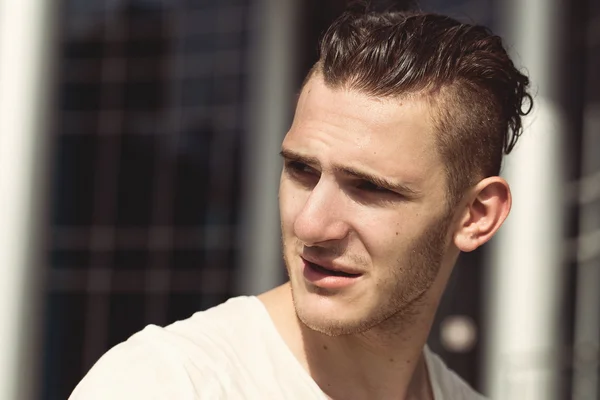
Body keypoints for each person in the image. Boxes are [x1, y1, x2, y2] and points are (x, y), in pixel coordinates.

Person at [69, 5, 532, 400]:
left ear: (476, 216)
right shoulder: (166, 384)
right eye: (302, 171)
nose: (311, 225)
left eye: (370, 188)